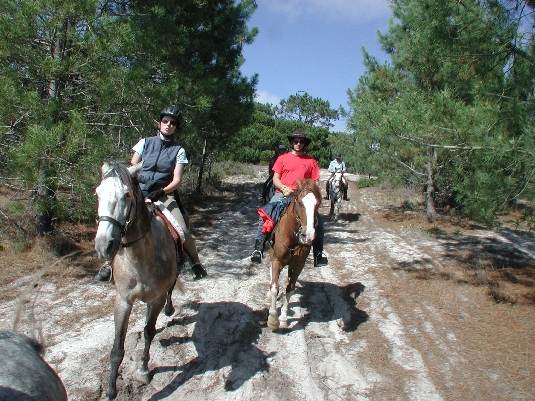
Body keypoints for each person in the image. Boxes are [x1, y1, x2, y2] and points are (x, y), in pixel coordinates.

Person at [95, 106, 207, 282]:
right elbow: (132, 167)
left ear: (176, 127)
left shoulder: (179, 150)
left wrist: (161, 191)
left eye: (173, 123)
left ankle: (195, 262)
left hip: (164, 193)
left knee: (182, 229)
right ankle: (109, 263)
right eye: (165, 121)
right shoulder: (145, 142)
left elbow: (177, 180)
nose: (168, 125)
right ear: (159, 123)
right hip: (139, 190)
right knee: (120, 220)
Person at [250, 129, 328, 267]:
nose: (298, 144)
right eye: (296, 141)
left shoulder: (311, 161)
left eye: (301, 142)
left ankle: (318, 254)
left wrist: (311, 194)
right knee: (266, 215)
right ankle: (258, 248)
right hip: (283, 193)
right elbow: (275, 178)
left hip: (303, 196)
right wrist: (284, 187)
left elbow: (315, 182)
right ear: (292, 142)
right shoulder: (282, 158)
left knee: (319, 221)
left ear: (304, 144)